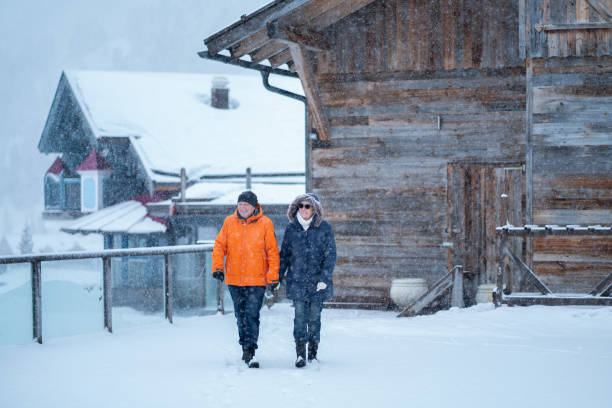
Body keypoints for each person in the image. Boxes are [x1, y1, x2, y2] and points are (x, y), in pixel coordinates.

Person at [212, 191, 280, 368]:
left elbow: (272, 252)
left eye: (246, 205)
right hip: (234, 279)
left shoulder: (265, 224)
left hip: (256, 281)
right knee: (240, 315)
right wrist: (218, 267)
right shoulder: (229, 222)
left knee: (251, 315)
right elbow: (219, 246)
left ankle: (250, 351)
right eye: (240, 204)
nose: (242, 207)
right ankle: (244, 346)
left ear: (254, 207)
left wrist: (272, 277)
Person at [279, 193, 336, 368]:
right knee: (299, 318)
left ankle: (313, 353)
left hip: (318, 283)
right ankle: (300, 355)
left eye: (307, 206)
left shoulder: (324, 228)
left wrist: (324, 278)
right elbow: (284, 256)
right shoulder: (291, 229)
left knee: (314, 319)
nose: (303, 209)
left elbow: (330, 255)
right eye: (300, 206)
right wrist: (277, 278)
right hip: (296, 282)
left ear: (315, 209)